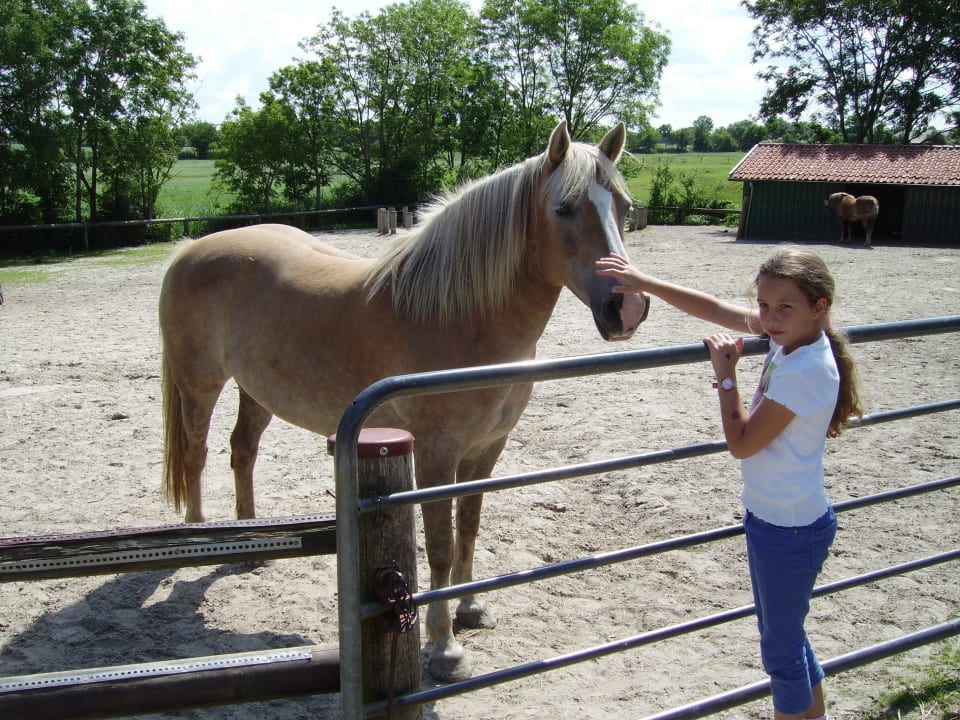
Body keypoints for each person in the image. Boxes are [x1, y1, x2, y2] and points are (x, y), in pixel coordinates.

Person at [596, 248, 862, 720]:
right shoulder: (793, 339)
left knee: (781, 654)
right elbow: (717, 310)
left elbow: (741, 442)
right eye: (762, 306)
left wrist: (726, 378)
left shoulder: (804, 368)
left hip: (789, 529)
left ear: (819, 307)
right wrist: (645, 282)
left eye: (783, 307)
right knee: (788, 639)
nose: (768, 318)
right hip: (779, 519)